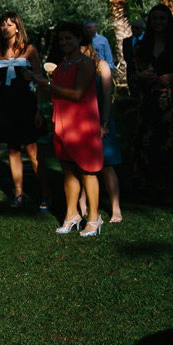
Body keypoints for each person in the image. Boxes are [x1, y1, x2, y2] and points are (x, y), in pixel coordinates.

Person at [25, 23, 104, 237]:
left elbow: (77, 94)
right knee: (68, 170)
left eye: (69, 38)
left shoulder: (85, 63)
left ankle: (94, 218)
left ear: (80, 39)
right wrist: (38, 82)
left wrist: (46, 84)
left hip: (82, 125)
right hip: (63, 123)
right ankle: (72, 215)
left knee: (87, 171)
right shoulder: (63, 65)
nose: (64, 42)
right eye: (61, 39)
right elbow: (56, 95)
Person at [0, 12, 51, 210]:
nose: (5, 28)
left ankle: (46, 194)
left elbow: (40, 81)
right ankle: (18, 194)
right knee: (13, 149)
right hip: (6, 107)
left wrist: (39, 108)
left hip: (27, 105)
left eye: (9, 24)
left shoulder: (30, 50)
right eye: (2, 24)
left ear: (18, 27)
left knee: (33, 152)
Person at [132, 4, 173, 204]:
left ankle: (171, 190)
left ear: (169, 21)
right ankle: (147, 189)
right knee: (146, 144)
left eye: (162, 18)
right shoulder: (140, 48)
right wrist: (141, 75)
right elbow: (133, 75)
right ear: (149, 22)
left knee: (171, 144)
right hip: (148, 103)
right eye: (154, 18)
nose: (158, 22)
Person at [80, 41, 123, 223]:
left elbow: (107, 96)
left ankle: (116, 208)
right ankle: (83, 205)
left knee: (106, 165)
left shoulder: (101, 65)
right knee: (81, 164)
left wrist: (104, 123)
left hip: (99, 119)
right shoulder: (71, 64)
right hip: (80, 122)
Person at [122, 18, 146, 97]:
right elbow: (126, 57)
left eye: (137, 28)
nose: (134, 30)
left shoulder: (147, 40)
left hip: (145, 75)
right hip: (131, 74)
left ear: (143, 29)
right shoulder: (126, 42)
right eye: (133, 27)